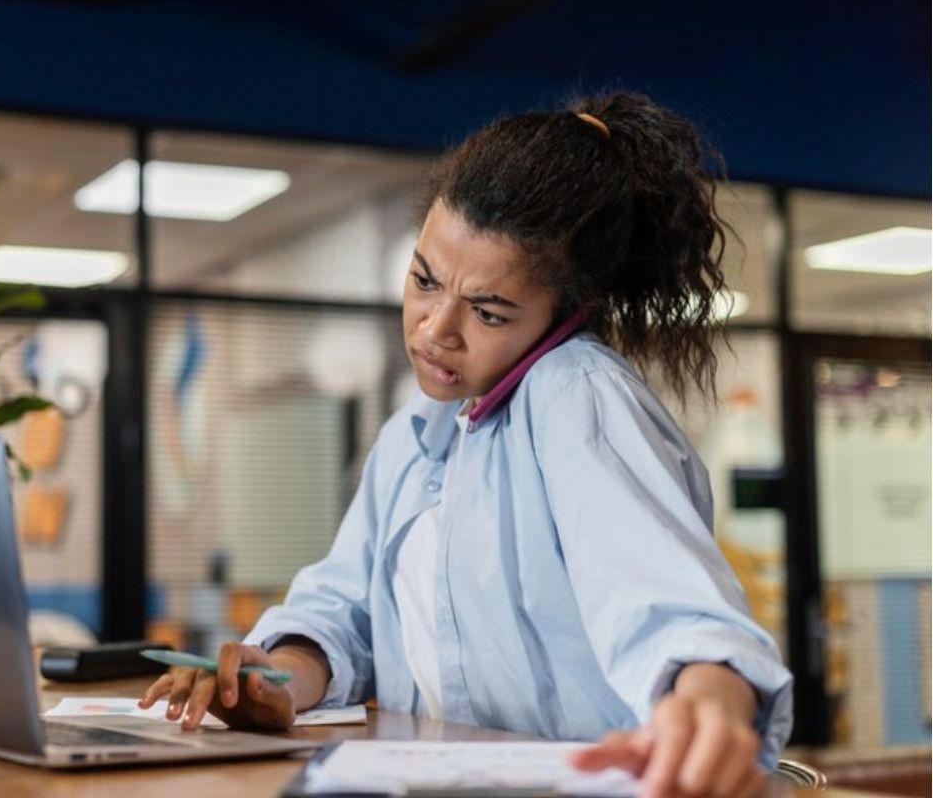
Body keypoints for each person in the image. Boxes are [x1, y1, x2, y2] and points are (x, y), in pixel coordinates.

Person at [140, 91, 793, 798]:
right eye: (423, 280)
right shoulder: (416, 433)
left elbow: (668, 606)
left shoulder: (573, 393)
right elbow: (342, 610)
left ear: (570, 313)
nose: (433, 329)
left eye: (487, 311)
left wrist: (711, 698)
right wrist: (278, 681)